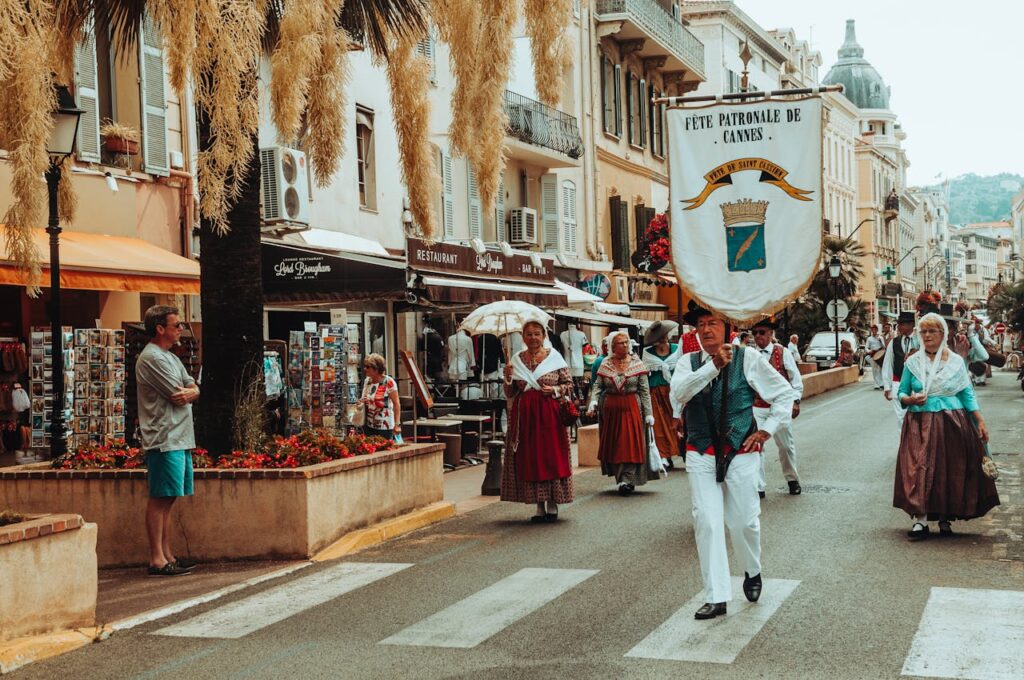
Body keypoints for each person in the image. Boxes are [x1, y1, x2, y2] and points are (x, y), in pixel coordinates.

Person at [671, 304, 795, 620]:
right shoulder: (688, 362)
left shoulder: (748, 358)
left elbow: (784, 394)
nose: (707, 329)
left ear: (728, 328)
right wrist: (712, 366)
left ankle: (752, 570)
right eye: (701, 324)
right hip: (700, 452)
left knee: (743, 522)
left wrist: (767, 430)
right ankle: (716, 595)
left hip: (740, 451)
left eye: (713, 323)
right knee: (707, 521)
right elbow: (680, 394)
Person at [895, 313, 1000, 540]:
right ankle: (921, 521)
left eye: (932, 331)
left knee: (948, 470)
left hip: (951, 422)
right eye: (923, 332)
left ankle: (945, 517)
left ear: (943, 334)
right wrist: (910, 400)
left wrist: (979, 420)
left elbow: (967, 393)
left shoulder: (954, 362)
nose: (927, 336)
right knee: (919, 468)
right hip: (919, 422)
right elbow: (901, 392)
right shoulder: (913, 362)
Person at [135, 305, 200, 577]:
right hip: (164, 437)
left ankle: (167, 554)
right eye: (176, 326)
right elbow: (178, 393)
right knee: (160, 497)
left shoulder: (170, 357)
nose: (181, 331)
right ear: (160, 328)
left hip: (179, 436)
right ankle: (157, 559)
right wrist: (190, 392)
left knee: (170, 498)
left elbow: (193, 387)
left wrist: (192, 391)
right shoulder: (152, 358)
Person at [502, 320, 574, 522]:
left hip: (549, 414)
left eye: (536, 334)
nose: (533, 338)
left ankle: (553, 503)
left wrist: (556, 390)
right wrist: (507, 378)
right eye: (528, 334)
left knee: (550, 456)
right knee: (531, 458)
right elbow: (510, 392)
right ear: (523, 337)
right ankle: (538, 506)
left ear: (543, 336)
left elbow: (569, 384)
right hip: (525, 416)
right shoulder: (516, 360)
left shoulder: (555, 358)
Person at [587, 330, 656, 495]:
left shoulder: (637, 363)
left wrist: (648, 413)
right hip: (611, 410)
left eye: (626, 342)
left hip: (632, 407)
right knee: (616, 444)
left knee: (630, 443)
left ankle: (628, 478)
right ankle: (621, 478)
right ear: (612, 346)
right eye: (620, 343)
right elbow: (598, 385)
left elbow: (644, 390)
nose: (625, 345)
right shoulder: (605, 363)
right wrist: (593, 400)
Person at [750, 319, 804, 497]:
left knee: (786, 446)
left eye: (762, 332)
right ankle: (759, 487)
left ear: (771, 334)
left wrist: (795, 401)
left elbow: (795, 380)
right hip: (757, 407)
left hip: (780, 407)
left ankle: (792, 479)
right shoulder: (749, 355)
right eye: (755, 332)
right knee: (757, 447)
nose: (758, 336)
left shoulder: (783, 352)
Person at [642, 320, 681, 470]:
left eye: (664, 335)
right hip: (655, 392)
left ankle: (681, 452)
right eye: (659, 336)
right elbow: (644, 373)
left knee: (677, 421)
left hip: (674, 391)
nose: (663, 338)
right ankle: (664, 456)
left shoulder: (677, 349)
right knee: (659, 425)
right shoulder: (648, 353)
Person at [882, 311, 918, 427]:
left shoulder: (920, 341)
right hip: (898, 384)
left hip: (917, 386)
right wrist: (887, 387)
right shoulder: (894, 342)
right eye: (899, 324)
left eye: (903, 324)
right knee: (901, 418)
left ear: (912, 324)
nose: (899, 327)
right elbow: (888, 364)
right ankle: (903, 444)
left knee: (916, 419)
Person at [360, 353, 401, 440]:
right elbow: (363, 398)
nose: (365, 369)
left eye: (368, 367)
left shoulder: (389, 382)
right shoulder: (368, 381)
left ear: (376, 369)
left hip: (385, 426)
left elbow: (396, 404)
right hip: (369, 425)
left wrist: (397, 424)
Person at [865, 325, 886, 390]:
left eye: (875, 329)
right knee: (874, 369)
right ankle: (876, 384)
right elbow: (866, 347)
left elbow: (884, 346)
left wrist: (880, 341)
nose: (874, 331)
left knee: (879, 369)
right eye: (872, 329)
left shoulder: (880, 337)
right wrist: (869, 351)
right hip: (873, 354)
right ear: (871, 330)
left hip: (879, 354)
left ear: (877, 330)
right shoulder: (869, 338)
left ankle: (881, 383)